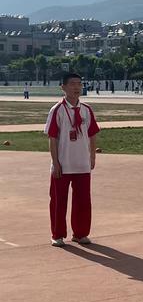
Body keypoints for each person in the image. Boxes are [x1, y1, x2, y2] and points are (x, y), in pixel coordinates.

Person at [44, 73, 100, 247]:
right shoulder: (57, 110)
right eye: (72, 84)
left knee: (83, 201)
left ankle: (80, 233)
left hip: (82, 163)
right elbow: (52, 138)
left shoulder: (86, 109)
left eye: (79, 84)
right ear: (63, 87)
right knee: (59, 201)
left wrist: (92, 156)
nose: (76, 87)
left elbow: (92, 135)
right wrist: (56, 162)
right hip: (63, 163)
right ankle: (58, 234)